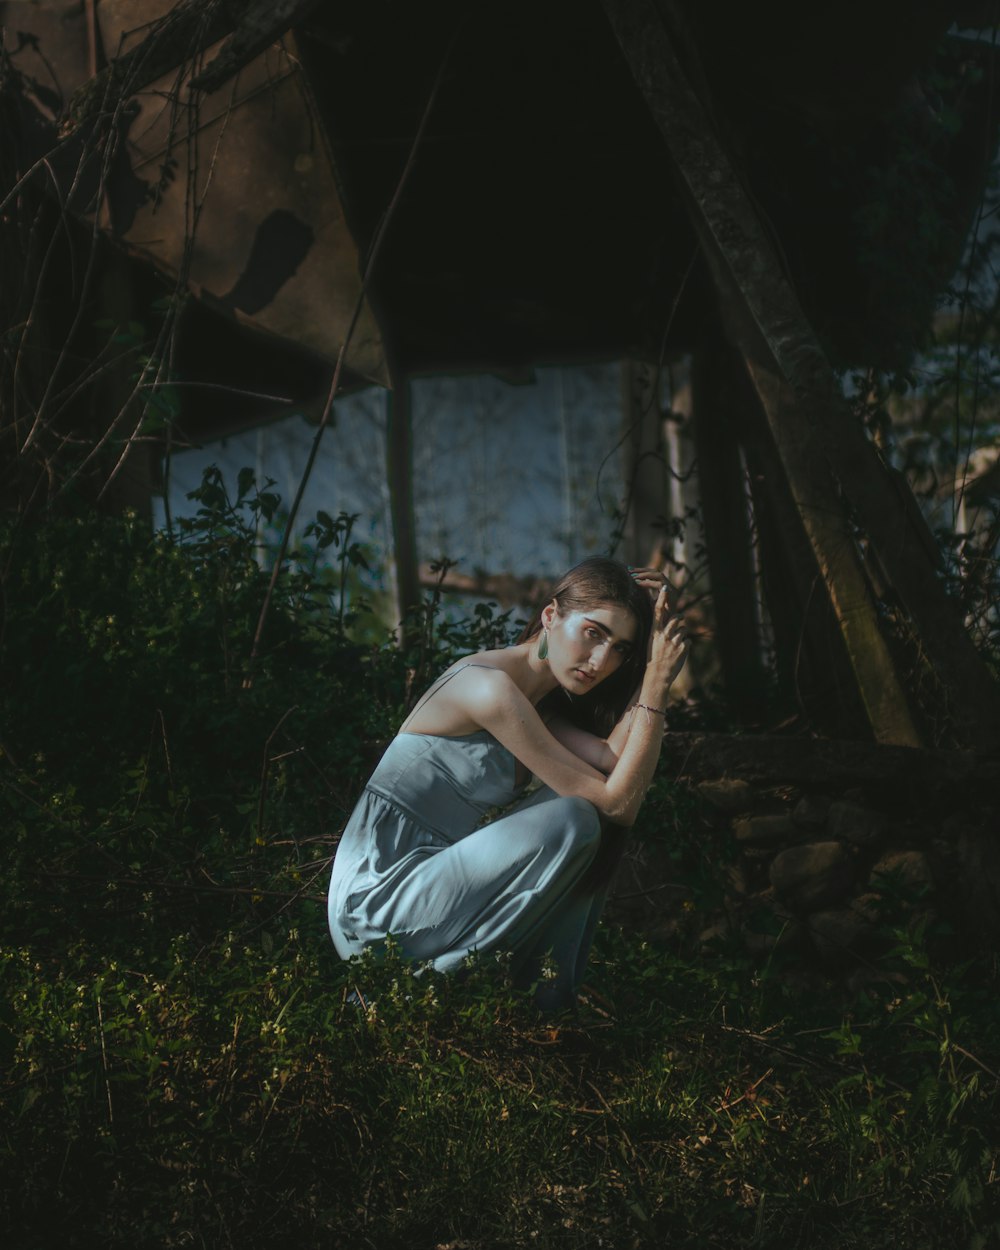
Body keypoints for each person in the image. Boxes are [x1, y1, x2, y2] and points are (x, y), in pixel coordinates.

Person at [327, 557, 688, 1011]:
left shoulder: (537, 710)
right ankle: (436, 992)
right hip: (376, 905)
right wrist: (655, 687)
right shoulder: (488, 689)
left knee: (579, 806)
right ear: (551, 615)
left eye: (620, 649)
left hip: (431, 890)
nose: (601, 661)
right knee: (578, 814)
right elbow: (620, 804)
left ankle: (546, 1004)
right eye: (594, 633)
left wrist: (655, 661)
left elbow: (616, 763)